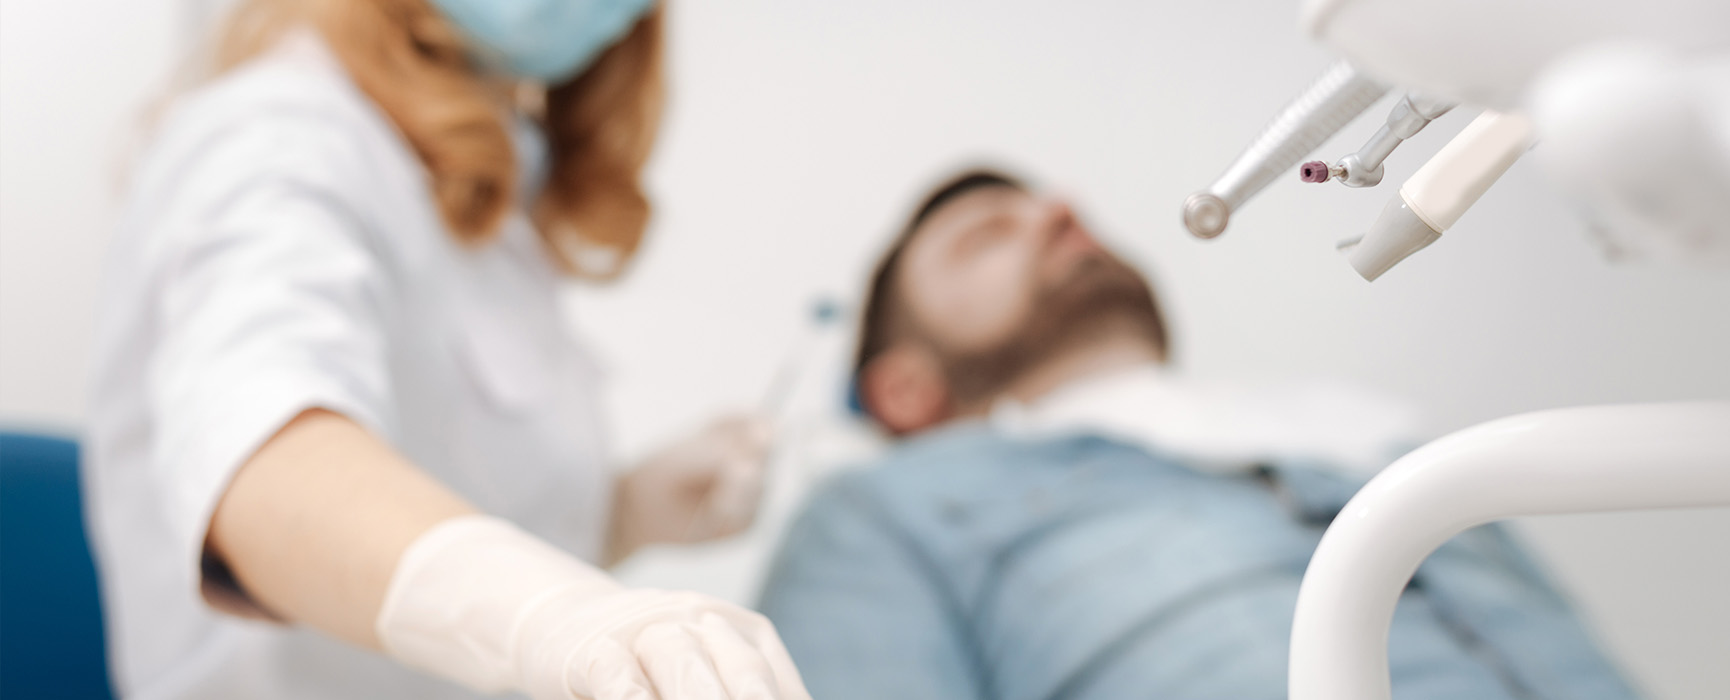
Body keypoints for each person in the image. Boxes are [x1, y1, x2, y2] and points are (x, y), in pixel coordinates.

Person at [84, 1, 807, 699]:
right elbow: (264, 467)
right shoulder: (276, 135)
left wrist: (621, 514)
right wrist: (559, 614)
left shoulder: (480, 174)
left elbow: (457, 512)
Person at [756, 170, 1642, 700]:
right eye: (989, 232)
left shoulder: (1368, 435)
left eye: (1056, 203)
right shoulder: (880, 510)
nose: (1062, 210)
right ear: (904, 390)